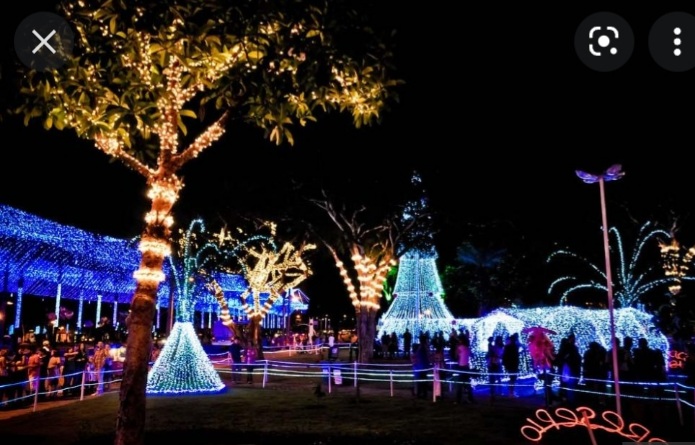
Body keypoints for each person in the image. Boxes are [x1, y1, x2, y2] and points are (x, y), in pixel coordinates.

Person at [502, 333, 520, 398]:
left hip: (511, 365)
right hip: (513, 364)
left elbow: (504, 356)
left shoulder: (508, 346)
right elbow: (506, 356)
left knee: (512, 378)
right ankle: (511, 392)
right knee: (512, 378)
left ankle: (511, 392)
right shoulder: (513, 346)